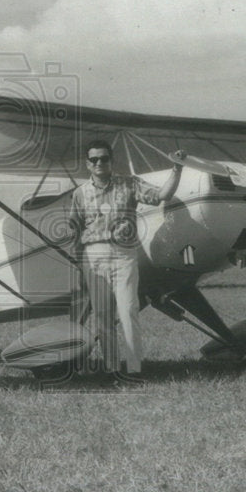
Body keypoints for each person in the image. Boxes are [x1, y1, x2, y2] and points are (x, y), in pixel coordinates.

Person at [68, 140, 185, 378]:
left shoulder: (130, 184)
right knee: (102, 316)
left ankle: (133, 369)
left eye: (104, 158)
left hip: (124, 254)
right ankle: (112, 369)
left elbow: (163, 194)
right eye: (94, 160)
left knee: (128, 310)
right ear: (88, 164)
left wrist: (177, 168)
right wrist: (80, 264)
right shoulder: (80, 194)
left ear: (112, 161)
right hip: (93, 256)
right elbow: (74, 229)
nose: (100, 163)